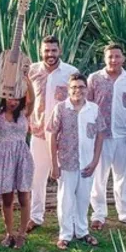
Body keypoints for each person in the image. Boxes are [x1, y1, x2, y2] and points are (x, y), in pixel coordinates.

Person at [87, 43, 126, 231]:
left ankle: (125, 213)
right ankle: (98, 214)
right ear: (105, 58)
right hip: (101, 136)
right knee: (99, 177)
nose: (113, 60)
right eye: (110, 56)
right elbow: (87, 106)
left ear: (123, 58)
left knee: (122, 176)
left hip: (124, 135)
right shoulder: (94, 78)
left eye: (117, 56)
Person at [47, 73, 106, 250]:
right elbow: (52, 135)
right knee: (66, 200)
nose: (77, 90)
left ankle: (82, 231)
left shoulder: (93, 109)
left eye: (81, 87)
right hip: (67, 162)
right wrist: (54, 164)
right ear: (68, 89)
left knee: (83, 198)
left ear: (86, 89)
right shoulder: (61, 108)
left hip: (87, 163)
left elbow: (100, 134)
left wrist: (95, 160)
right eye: (74, 87)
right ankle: (65, 234)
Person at [27, 35, 78, 233]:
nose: (50, 54)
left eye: (53, 50)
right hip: (39, 134)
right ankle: (35, 216)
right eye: (47, 50)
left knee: (64, 179)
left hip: (64, 136)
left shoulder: (71, 73)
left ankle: (66, 220)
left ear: (60, 51)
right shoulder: (32, 71)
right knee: (37, 177)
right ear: (41, 51)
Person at [0, 76, 35, 249]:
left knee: (24, 195)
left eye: (16, 98)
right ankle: (9, 233)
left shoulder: (24, 113)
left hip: (22, 155)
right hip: (4, 157)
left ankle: (22, 233)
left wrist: (27, 80)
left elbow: (33, 100)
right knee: (6, 198)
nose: (13, 101)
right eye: (10, 97)